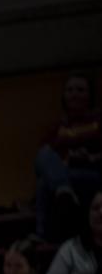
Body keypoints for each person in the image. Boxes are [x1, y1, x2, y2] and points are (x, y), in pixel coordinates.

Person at [34, 72, 102, 241]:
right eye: (70, 90)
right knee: (44, 157)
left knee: (47, 183)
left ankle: (42, 233)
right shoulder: (57, 128)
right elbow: (44, 159)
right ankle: (63, 191)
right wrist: (67, 159)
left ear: (90, 95)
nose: (74, 94)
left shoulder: (99, 122)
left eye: (80, 90)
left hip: (93, 176)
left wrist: (88, 158)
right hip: (66, 175)